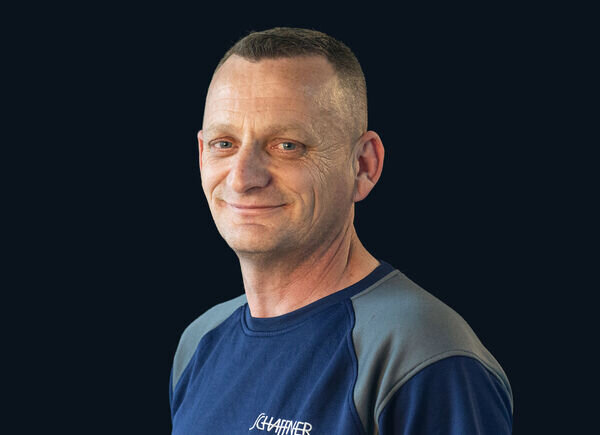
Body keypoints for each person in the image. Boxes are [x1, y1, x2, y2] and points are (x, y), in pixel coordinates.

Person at [169, 27, 513, 434]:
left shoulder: (423, 356)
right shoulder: (200, 342)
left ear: (364, 166)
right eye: (223, 144)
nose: (243, 177)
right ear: (201, 154)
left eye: (287, 145)